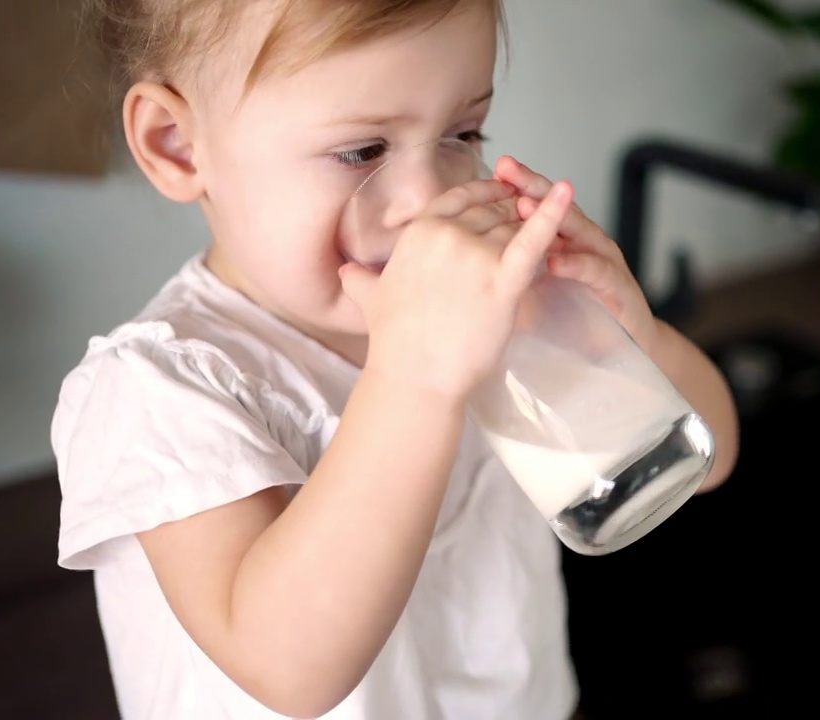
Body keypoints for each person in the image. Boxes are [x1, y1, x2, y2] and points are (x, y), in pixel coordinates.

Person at [51, 0, 740, 718]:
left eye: (462, 132)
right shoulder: (160, 390)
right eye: (361, 151)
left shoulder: (489, 311)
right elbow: (287, 669)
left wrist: (630, 336)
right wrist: (416, 378)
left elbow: (707, 455)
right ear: (177, 144)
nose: (428, 196)